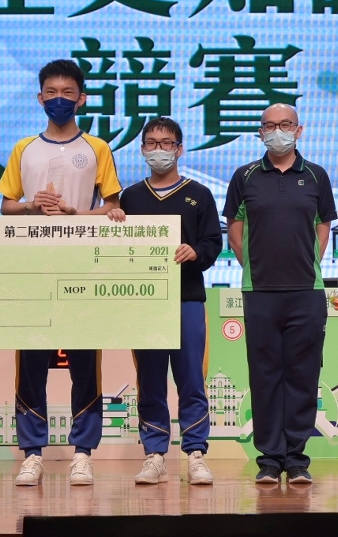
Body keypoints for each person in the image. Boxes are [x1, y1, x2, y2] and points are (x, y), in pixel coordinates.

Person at [0, 60, 123, 488]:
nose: (59, 100)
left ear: (81, 98)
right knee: (31, 361)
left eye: (68, 93)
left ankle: (83, 452)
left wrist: (74, 213)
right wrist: (32, 206)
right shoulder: (24, 148)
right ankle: (32, 452)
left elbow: (112, 208)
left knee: (85, 361)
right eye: (51, 92)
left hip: (82, 267)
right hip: (32, 267)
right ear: (39, 98)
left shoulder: (97, 148)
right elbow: (6, 206)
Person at [223, 103, 337, 485]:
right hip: (260, 292)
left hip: (307, 291)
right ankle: (270, 459)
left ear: (299, 130)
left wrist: (308, 262)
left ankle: (297, 458)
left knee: (303, 375)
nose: (278, 131)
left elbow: (323, 226)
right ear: (260, 133)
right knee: (265, 375)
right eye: (269, 126)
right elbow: (234, 228)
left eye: (285, 124)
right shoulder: (245, 176)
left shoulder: (317, 176)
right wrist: (253, 266)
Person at [110, 117, 222, 487]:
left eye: (167, 143)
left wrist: (195, 251)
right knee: (150, 380)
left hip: (187, 299)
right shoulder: (130, 197)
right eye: (152, 143)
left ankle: (195, 454)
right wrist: (114, 222)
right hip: (145, 304)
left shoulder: (199, 194)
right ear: (142, 149)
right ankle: (155, 454)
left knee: (191, 379)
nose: (159, 150)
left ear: (179, 149)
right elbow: (119, 249)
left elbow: (213, 242)